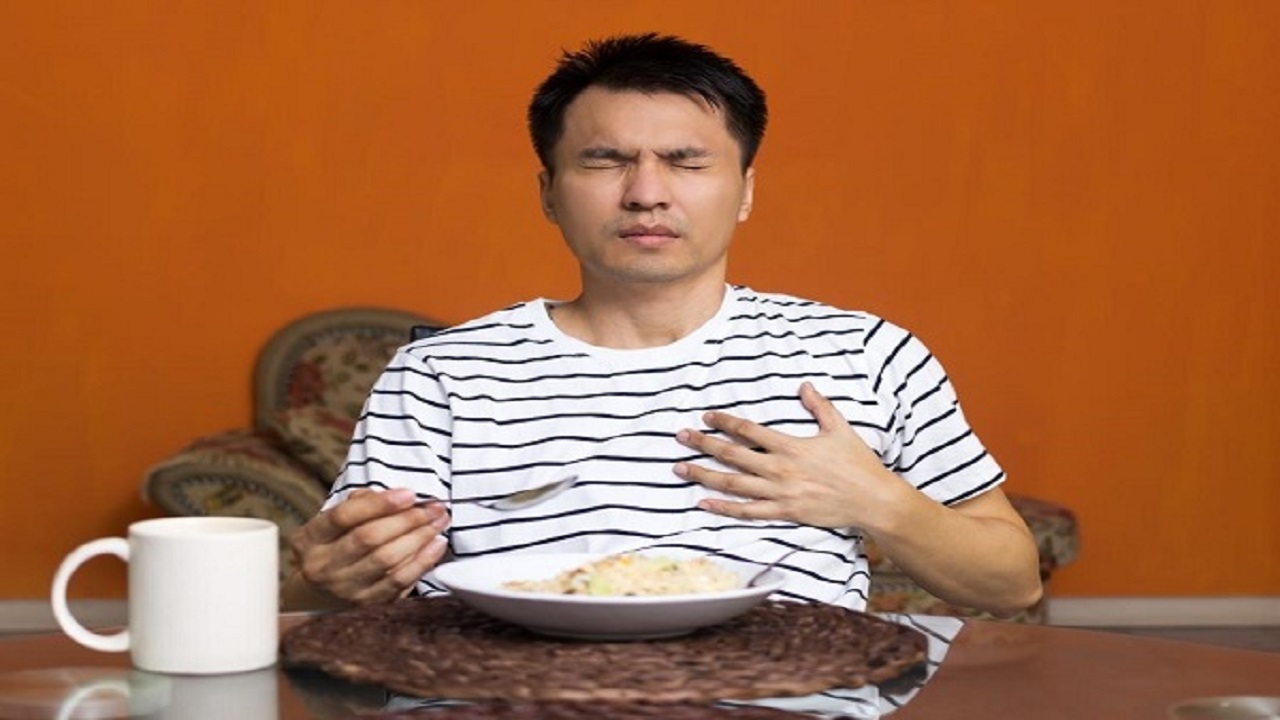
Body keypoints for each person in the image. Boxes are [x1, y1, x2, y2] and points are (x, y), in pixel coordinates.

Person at [281, 33, 1042, 621]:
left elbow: (1011, 583)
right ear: (549, 193)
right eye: (604, 161)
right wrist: (330, 578)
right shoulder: (443, 375)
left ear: (746, 190)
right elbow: (339, 598)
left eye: (686, 162)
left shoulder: (866, 353)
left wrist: (876, 501)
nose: (646, 192)